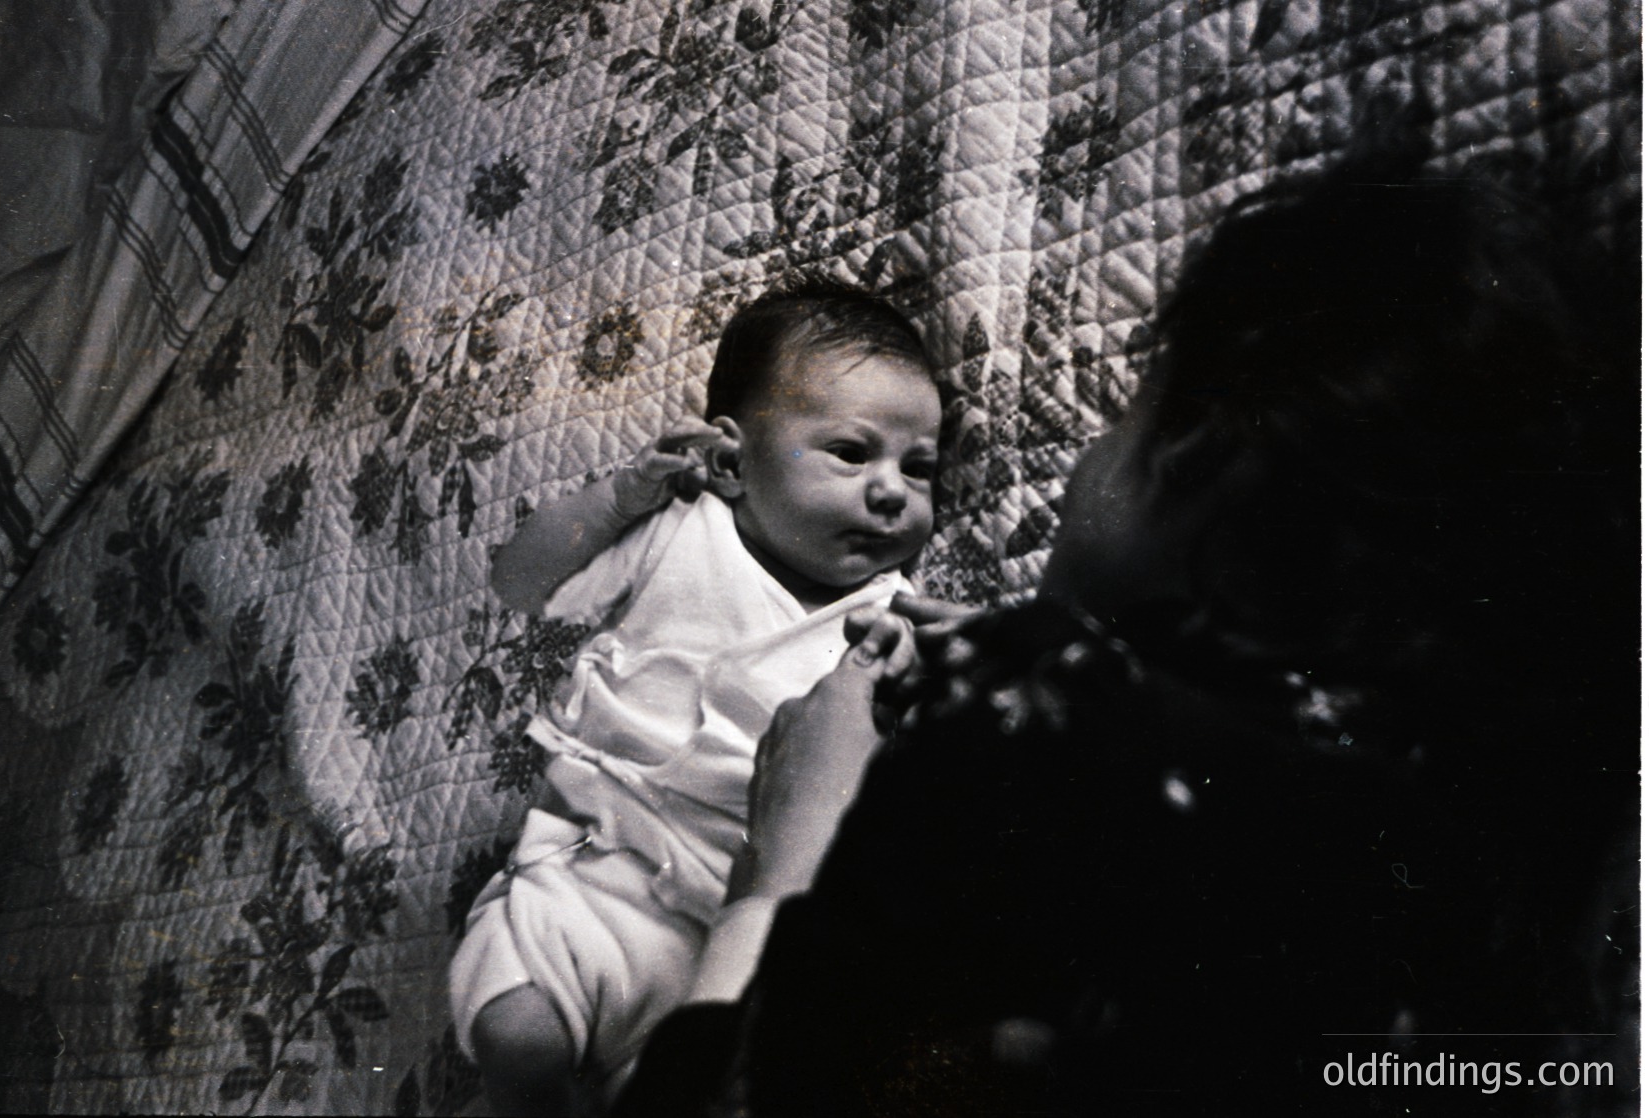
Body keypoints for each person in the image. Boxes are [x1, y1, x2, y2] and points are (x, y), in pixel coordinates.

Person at [617, 155, 1639, 1116]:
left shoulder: (1024, 713)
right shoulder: (1497, 910)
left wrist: (788, 858)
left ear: (1199, 461)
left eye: (1130, 406)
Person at [448, 281, 942, 1115]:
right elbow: (519, 581)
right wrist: (615, 502)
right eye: (853, 453)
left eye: (920, 467)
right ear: (735, 459)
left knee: (682, 1085)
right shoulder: (679, 533)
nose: (893, 489)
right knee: (518, 1033)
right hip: (596, 876)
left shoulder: (891, 618)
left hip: (730, 924)